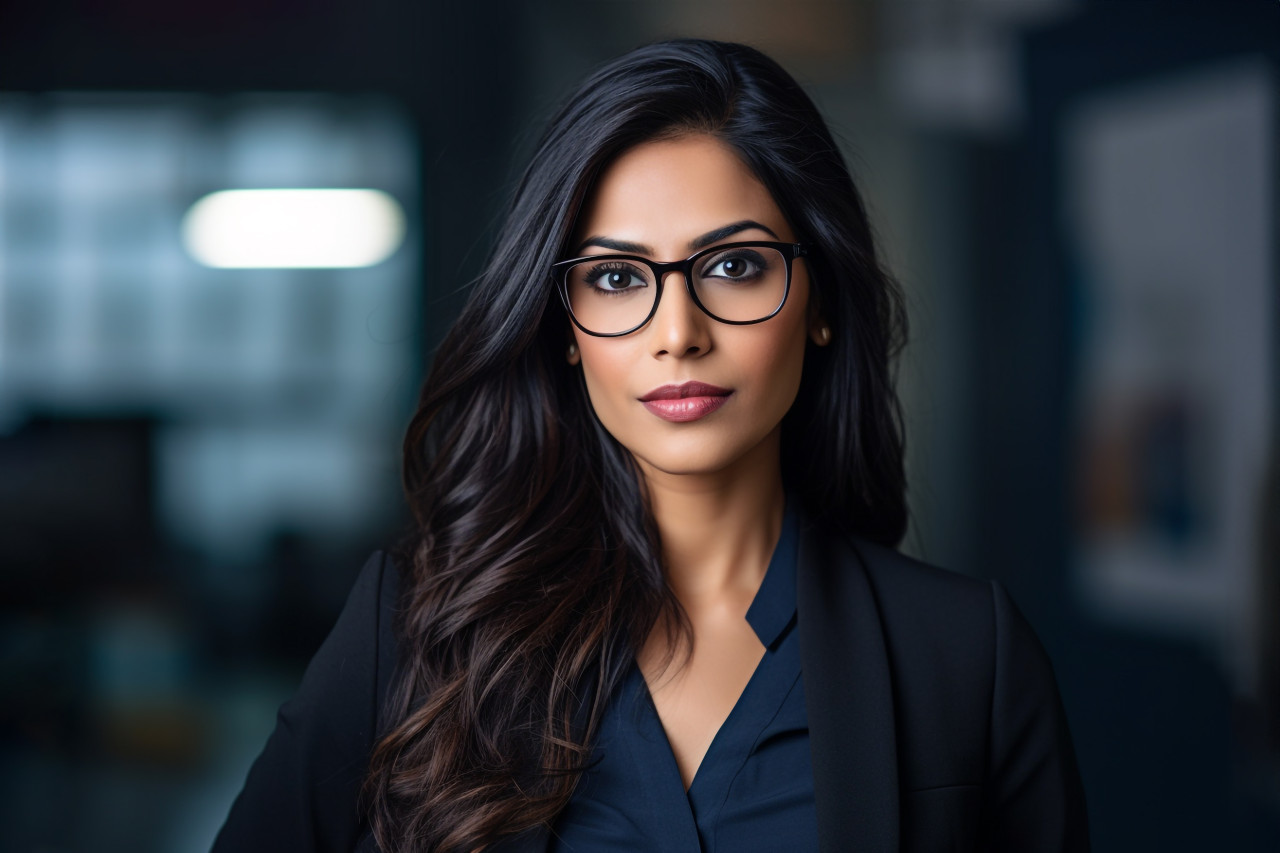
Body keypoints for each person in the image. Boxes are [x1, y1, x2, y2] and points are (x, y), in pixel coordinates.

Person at [212, 38, 1089, 853]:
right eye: (617, 277)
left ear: (820, 303)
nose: (678, 331)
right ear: (564, 326)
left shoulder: (965, 652)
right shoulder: (410, 633)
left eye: (735, 266)